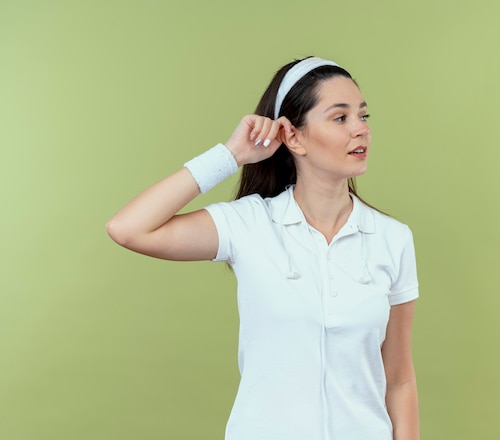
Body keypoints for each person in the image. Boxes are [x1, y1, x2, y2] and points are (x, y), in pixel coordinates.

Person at [107, 56, 420, 440]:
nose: (361, 130)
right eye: (340, 118)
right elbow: (128, 228)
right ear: (294, 137)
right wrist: (230, 155)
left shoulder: (393, 239)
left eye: (363, 116)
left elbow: (399, 380)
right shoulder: (250, 224)